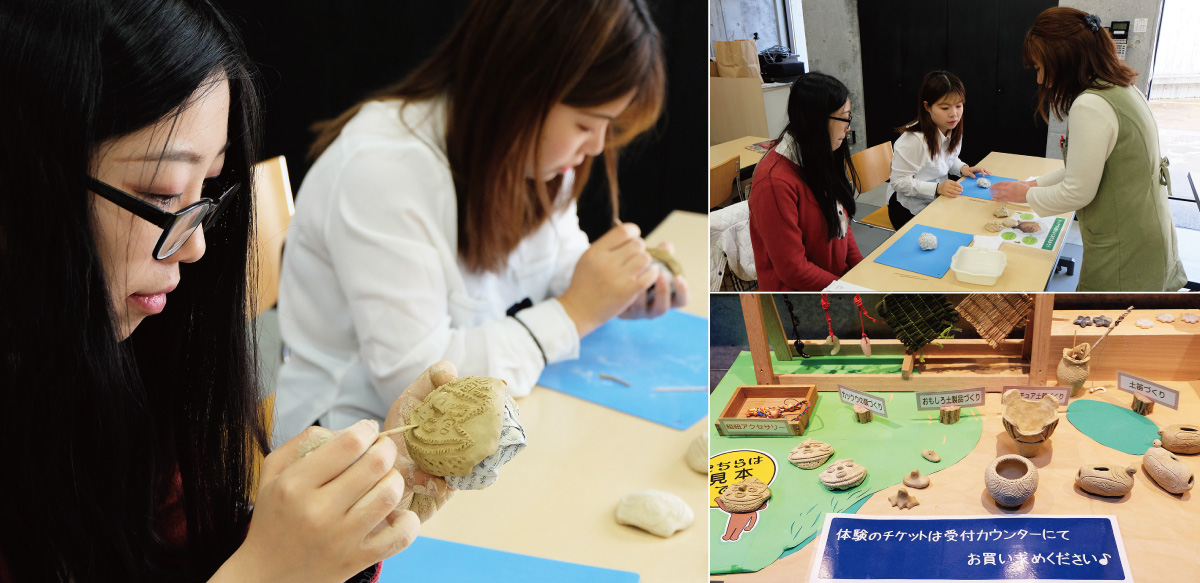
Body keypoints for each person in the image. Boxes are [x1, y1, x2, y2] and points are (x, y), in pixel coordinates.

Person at [0, 1, 443, 580]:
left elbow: (177, 544)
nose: (195, 247)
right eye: (161, 194)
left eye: (207, 187)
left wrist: (349, 519)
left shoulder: (121, 362)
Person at [272, 0, 686, 443]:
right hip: (354, 445)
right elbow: (421, 388)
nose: (597, 146)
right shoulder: (381, 170)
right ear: (519, 89)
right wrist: (575, 312)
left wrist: (616, 289)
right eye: (587, 124)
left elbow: (558, 264)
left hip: (479, 432)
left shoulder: (535, 161)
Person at [991, 7, 1185, 291]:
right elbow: (1085, 168)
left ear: (1064, 60)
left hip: (1125, 246)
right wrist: (1035, 183)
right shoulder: (1123, 89)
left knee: (1103, 321)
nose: (1040, 80)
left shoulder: (1091, 105)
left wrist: (1026, 194)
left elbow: (1078, 191)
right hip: (1148, 230)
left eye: (1040, 67)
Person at [747, 73, 863, 291]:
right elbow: (794, 271)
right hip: (799, 299)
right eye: (844, 118)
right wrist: (848, 288)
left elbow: (842, 224)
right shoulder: (774, 182)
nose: (848, 127)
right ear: (817, 121)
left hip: (833, 285)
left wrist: (861, 273)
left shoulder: (818, 154)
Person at [886, 70, 989, 229]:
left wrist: (963, 168)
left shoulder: (951, 128)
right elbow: (898, 182)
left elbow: (949, 158)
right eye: (945, 107)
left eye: (959, 106)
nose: (954, 114)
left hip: (937, 199)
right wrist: (937, 188)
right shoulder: (913, 141)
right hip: (908, 208)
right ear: (927, 106)